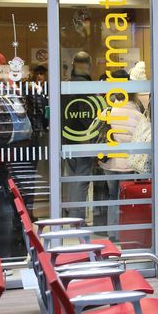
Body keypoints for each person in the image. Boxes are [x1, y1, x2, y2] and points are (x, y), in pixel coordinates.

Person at [98, 69, 147, 241]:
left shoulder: (108, 112)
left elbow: (95, 131)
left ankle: (113, 233)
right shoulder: (139, 115)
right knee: (125, 196)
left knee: (112, 195)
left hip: (109, 162)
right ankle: (126, 230)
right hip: (128, 163)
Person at [62, 51, 95, 220]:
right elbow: (86, 114)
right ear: (88, 65)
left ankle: (71, 214)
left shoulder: (67, 84)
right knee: (81, 180)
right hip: (83, 139)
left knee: (72, 177)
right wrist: (95, 131)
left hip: (68, 138)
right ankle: (77, 218)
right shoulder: (85, 86)